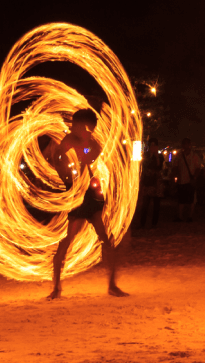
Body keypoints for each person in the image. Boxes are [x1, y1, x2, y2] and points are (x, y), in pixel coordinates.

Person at [48, 108, 129, 300]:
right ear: (76, 125)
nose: (88, 130)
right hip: (78, 196)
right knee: (67, 241)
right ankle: (56, 288)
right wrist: (68, 177)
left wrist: (86, 150)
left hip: (91, 195)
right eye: (85, 127)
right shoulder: (68, 141)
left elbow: (94, 154)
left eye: (90, 128)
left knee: (106, 240)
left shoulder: (90, 142)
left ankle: (112, 285)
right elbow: (59, 160)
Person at [136, 138, 164, 229]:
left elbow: (159, 167)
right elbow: (144, 165)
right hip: (148, 181)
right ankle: (142, 222)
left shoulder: (160, 156)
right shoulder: (146, 155)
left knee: (156, 203)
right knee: (145, 203)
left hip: (156, 181)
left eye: (154, 145)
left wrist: (156, 156)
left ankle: (154, 223)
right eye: (151, 145)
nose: (153, 147)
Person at [173, 138, 202, 222]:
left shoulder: (194, 156)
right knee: (182, 199)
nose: (185, 146)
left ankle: (189, 216)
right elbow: (175, 167)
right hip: (182, 180)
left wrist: (194, 177)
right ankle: (181, 216)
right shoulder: (179, 155)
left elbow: (198, 168)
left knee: (190, 200)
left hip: (190, 180)